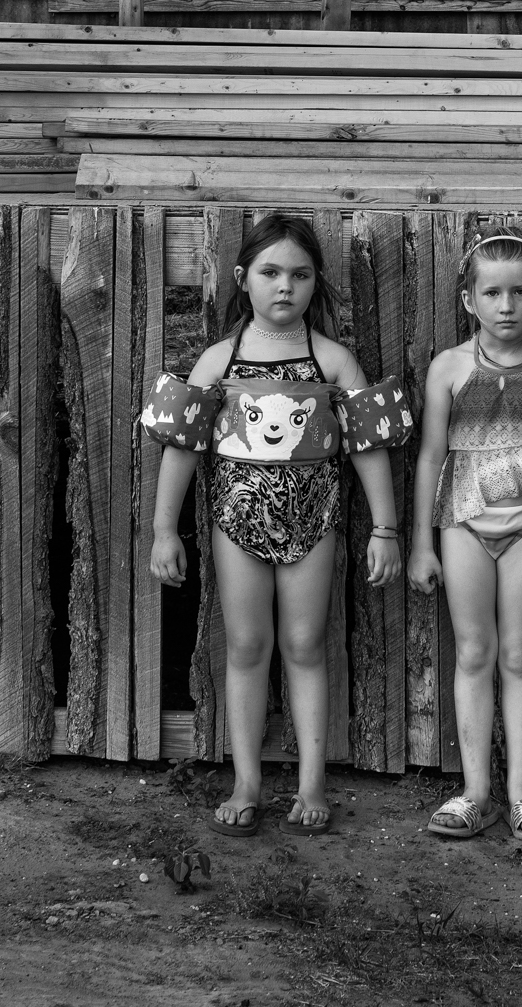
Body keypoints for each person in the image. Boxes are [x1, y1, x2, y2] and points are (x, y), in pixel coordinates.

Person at [142, 214, 410, 839]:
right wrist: (163, 530)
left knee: (305, 645)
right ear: (243, 280)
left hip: (313, 522)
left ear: (316, 283)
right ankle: (247, 781)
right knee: (245, 647)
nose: (284, 286)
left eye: (299, 274)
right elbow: (179, 448)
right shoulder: (216, 361)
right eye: (270, 273)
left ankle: (312, 782)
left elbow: (368, 446)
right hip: (235, 524)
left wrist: (386, 529)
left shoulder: (335, 361)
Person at [407, 233, 522, 845]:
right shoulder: (449, 369)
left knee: (519, 654)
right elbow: (431, 456)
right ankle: (474, 792)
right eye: (492, 292)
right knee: (473, 652)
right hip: (462, 523)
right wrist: (422, 542)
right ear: (469, 299)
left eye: (520, 292)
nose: (506, 304)